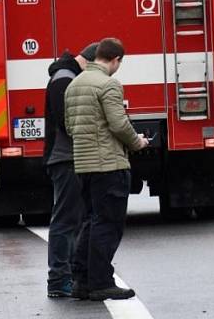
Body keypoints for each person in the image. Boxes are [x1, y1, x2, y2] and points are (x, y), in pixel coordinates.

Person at [65, 37, 149, 301]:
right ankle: (101, 282)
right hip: (109, 164)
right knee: (108, 225)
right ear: (115, 60)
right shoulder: (109, 84)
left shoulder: (74, 85)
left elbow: (69, 127)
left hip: (84, 164)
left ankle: (81, 281)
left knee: (90, 222)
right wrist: (138, 142)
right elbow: (118, 124)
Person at [45, 43, 99, 298]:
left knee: (73, 219)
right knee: (66, 220)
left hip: (68, 156)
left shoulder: (66, 76)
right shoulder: (64, 80)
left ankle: (67, 276)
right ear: (89, 61)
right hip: (65, 157)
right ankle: (58, 279)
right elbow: (68, 123)